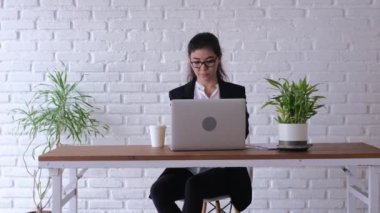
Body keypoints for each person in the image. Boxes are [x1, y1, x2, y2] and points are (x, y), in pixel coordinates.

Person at [150, 32, 252, 213]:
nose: (203, 68)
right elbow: (182, 133)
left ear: (218, 59)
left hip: (224, 171)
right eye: (196, 62)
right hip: (187, 168)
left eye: (209, 61)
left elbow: (241, 132)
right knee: (158, 190)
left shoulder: (234, 92)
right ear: (189, 61)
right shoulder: (179, 95)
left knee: (194, 185)